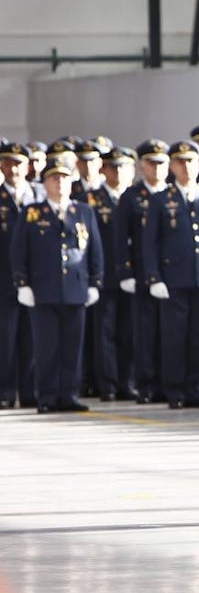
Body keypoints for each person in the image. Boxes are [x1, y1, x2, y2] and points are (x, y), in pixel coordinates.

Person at [11, 156, 103, 413]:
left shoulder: (83, 211)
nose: (59, 183)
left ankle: (68, 394)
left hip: (75, 289)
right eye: (54, 178)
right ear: (45, 183)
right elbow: (19, 250)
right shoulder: (32, 212)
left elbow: (94, 249)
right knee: (46, 348)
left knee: (72, 347)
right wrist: (22, 283)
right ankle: (47, 396)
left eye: (64, 178)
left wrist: (95, 281)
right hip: (44, 289)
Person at [143, 141, 199, 410]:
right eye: (180, 161)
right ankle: (175, 390)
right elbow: (150, 242)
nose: (186, 166)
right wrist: (154, 277)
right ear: (172, 165)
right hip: (174, 279)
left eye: (190, 160)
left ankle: (197, 389)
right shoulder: (161, 199)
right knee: (174, 337)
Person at [116, 139, 171, 404]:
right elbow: (121, 237)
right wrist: (125, 272)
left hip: (170, 274)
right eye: (152, 163)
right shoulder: (131, 197)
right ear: (141, 166)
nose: (157, 168)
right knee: (145, 332)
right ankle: (146, 384)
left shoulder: (173, 195)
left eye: (161, 163)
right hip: (141, 274)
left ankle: (166, 382)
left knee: (168, 333)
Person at [82, 146, 137, 402]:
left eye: (123, 166)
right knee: (104, 333)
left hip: (132, 276)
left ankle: (127, 381)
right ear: (103, 169)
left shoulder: (138, 198)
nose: (118, 172)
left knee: (129, 332)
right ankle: (108, 384)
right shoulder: (91, 199)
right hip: (105, 275)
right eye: (113, 166)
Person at [0, 142, 42, 409]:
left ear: (27, 166)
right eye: (7, 163)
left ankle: (30, 392)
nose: (13, 168)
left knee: (33, 339)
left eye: (18, 163)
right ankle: (4, 392)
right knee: (5, 339)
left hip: (37, 280)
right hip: (3, 279)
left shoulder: (39, 197)